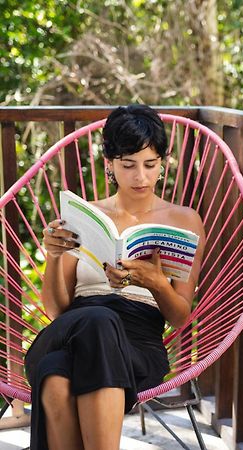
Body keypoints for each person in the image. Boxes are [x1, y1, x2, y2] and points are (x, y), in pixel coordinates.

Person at [24, 105, 205, 450]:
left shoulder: (184, 221)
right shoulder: (85, 216)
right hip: (75, 326)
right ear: (109, 165)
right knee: (97, 318)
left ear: (162, 165)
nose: (141, 177)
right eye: (128, 165)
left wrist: (154, 281)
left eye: (150, 165)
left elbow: (180, 316)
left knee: (56, 375)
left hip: (138, 346)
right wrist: (54, 255)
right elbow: (56, 311)